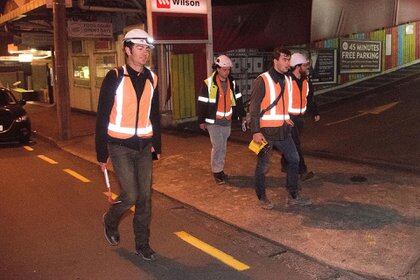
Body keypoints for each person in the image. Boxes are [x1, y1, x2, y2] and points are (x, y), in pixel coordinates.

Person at [95, 28, 161, 261]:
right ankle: (110, 220)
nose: (145, 53)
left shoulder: (152, 77)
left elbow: (154, 113)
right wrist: (101, 152)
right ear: (127, 49)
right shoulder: (114, 76)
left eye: (147, 49)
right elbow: (102, 115)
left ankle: (142, 244)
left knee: (145, 198)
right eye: (140, 48)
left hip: (144, 146)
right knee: (131, 194)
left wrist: (157, 145)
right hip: (119, 146)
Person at [249, 48, 311, 210]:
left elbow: (283, 104)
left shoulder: (287, 79)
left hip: (283, 130)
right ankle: (262, 197)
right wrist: (255, 131)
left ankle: (293, 195)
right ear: (275, 61)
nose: (287, 63)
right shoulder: (262, 80)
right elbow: (254, 108)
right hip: (265, 133)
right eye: (284, 59)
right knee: (263, 166)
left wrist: (286, 118)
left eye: (289, 60)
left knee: (294, 160)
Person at [197, 55, 246, 184]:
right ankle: (217, 171)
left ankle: (220, 170)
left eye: (228, 69)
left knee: (223, 146)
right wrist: (201, 120)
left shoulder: (232, 83)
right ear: (217, 69)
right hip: (213, 121)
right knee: (218, 145)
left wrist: (242, 115)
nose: (227, 72)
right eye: (224, 69)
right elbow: (202, 102)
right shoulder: (208, 83)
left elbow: (238, 100)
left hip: (227, 120)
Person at [281, 52, 320, 181]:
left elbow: (310, 98)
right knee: (295, 145)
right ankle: (302, 171)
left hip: (299, 118)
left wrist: (315, 112)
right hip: (288, 118)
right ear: (298, 66)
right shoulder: (286, 80)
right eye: (304, 66)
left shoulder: (305, 81)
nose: (306, 68)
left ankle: (285, 164)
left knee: (290, 143)